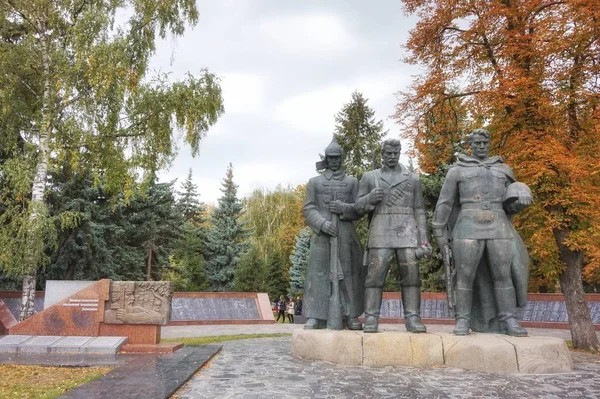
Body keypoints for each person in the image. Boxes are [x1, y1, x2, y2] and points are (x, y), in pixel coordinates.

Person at [432, 128, 531, 336]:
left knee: (503, 275)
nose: (481, 147)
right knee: (465, 275)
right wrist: (439, 230)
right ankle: (462, 320)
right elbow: (445, 203)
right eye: (477, 143)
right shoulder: (456, 170)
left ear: (489, 143)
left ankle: (509, 320)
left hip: (498, 223)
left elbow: (510, 206)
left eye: (484, 143)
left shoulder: (504, 169)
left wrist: (520, 200)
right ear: (471, 144)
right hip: (468, 223)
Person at [355, 138, 431, 333]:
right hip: (380, 229)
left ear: (399, 153)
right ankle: (371, 317)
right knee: (375, 276)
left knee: (411, 276)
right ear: (382, 154)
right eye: (388, 153)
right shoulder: (370, 177)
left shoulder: (413, 179)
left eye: (395, 153)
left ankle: (413, 318)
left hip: (407, 231)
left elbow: (420, 210)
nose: (391, 156)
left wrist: (423, 240)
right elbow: (357, 208)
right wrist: (369, 199)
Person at [302, 139, 365, 330]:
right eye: (331, 158)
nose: (334, 161)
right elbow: (308, 208)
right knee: (319, 274)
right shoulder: (315, 182)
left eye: (337, 158)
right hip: (322, 235)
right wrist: (322, 223)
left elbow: (359, 209)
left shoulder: (352, 182)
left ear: (342, 159)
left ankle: (351, 314)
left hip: (345, 234)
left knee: (349, 274)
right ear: (326, 159)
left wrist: (344, 208)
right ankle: (316, 315)